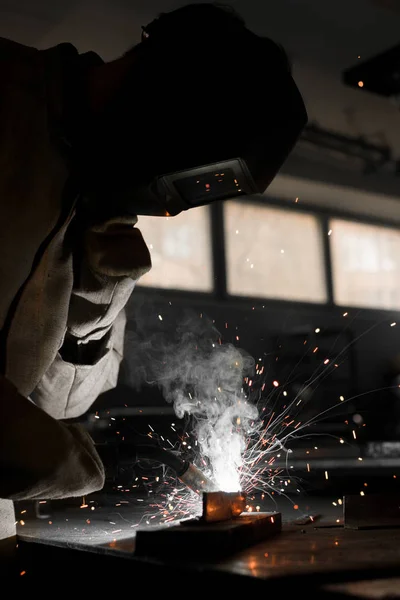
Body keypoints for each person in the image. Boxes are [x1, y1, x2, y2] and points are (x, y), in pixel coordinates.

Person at [0, 2, 307, 568]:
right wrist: (80, 464)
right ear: (178, 95)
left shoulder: (84, 184)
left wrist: (96, 299)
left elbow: (59, 404)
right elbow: (38, 439)